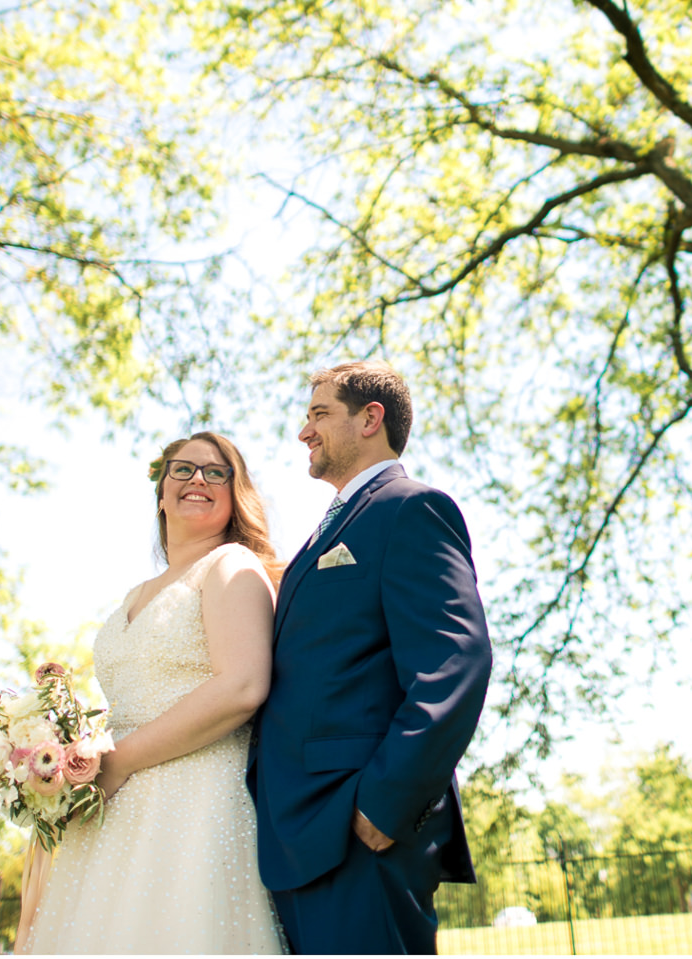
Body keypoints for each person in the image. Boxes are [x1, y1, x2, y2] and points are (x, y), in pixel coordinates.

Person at [17, 432, 289, 954]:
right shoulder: (134, 595)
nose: (198, 481)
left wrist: (118, 760)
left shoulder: (232, 566)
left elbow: (243, 686)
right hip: (108, 811)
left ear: (235, 495)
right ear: (161, 492)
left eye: (217, 473)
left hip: (194, 801)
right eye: (183, 470)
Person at [251, 361, 489, 953]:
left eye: (319, 414)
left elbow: (455, 662)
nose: (304, 432)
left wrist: (385, 805)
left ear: (370, 419)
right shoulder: (319, 535)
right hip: (296, 833)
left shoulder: (411, 508)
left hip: (356, 827)